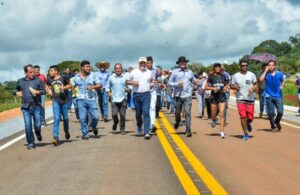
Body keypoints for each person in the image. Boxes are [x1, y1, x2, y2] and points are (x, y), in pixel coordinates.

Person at [15, 64, 46, 149]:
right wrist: (16, 93)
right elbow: (16, 90)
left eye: (33, 71)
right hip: (25, 107)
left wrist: (37, 92)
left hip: (36, 106)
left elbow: (44, 91)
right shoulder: (20, 81)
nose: (33, 73)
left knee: (38, 125)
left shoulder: (38, 80)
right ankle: (31, 142)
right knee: (28, 125)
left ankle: (38, 133)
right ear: (26, 73)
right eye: (31, 72)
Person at [126, 57, 154, 139]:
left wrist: (152, 84)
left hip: (146, 95)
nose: (142, 64)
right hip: (136, 95)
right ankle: (139, 126)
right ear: (139, 64)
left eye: (144, 63)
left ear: (146, 64)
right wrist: (132, 82)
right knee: (138, 113)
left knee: (146, 112)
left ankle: (146, 132)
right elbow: (127, 81)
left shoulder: (149, 72)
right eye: (141, 63)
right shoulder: (134, 72)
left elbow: (152, 80)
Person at [72, 60, 101, 139]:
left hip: (91, 99)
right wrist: (66, 88)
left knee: (96, 116)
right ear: (82, 67)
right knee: (82, 118)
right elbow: (71, 86)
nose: (89, 68)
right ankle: (85, 134)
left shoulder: (93, 75)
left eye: (89, 66)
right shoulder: (76, 77)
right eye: (87, 66)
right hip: (80, 100)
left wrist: (93, 87)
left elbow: (99, 85)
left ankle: (93, 126)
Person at [168, 56, 197, 137]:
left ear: (186, 63)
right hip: (178, 95)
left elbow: (193, 80)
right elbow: (169, 83)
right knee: (177, 112)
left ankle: (188, 130)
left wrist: (196, 83)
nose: (183, 63)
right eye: (181, 62)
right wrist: (177, 84)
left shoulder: (190, 72)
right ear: (179, 63)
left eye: (184, 62)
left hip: (187, 95)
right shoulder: (174, 72)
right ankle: (177, 121)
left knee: (188, 113)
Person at [231, 60, 258, 140]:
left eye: (246, 65)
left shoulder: (252, 74)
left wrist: (253, 88)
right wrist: (235, 87)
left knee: (250, 118)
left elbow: (256, 84)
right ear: (240, 66)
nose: (244, 67)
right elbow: (232, 85)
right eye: (243, 65)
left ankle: (248, 123)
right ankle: (245, 133)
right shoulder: (235, 76)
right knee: (243, 116)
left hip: (250, 98)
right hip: (240, 98)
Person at [46, 65, 71, 146]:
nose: (50, 72)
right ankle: (55, 137)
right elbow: (46, 85)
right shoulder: (49, 79)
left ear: (56, 71)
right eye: (50, 71)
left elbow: (71, 85)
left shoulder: (63, 77)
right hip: (55, 101)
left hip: (64, 101)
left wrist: (64, 88)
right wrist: (49, 90)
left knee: (66, 119)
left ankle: (66, 130)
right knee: (56, 118)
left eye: (51, 71)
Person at [259, 60, 285, 131]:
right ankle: (273, 126)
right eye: (269, 65)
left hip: (278, 95)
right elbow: (260, 80)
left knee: (280, 112)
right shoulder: (266, 74)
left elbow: (283, 81)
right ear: (268, 66)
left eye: (272, 65)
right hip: (268, 95)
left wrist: (282, 85)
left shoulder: (279, 74)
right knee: (271, 113)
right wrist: (265, 71)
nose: (271, 66)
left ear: (275, 66)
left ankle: (277, 122)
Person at [205, 63, 229, 138]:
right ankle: (214, 120)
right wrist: (213, 88)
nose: (218, 68)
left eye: (219, 67)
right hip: (214, 97)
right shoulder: (211, 76)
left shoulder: (223, 76)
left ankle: (222, 132)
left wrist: (225, 88)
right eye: (216, 67)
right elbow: (205, 87)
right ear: (214, 68)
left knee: (222, 114)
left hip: (222, 97)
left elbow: (226, 84)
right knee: (213, 115)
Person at [106, 63, 128, 135]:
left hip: (123, 98)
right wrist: (109, 93)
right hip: (114, 99)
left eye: (119, 68)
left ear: (122, 69)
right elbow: (107, 87)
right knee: (114, 115)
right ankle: (115, 122)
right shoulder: (111, 77)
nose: (118, 69)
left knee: (122, 115)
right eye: (117, 68)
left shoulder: (125, 77)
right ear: (114, 70)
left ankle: (122, 129)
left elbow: (129, 87)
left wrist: (128, 90)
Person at [146, 56, 158, 133]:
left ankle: (152, 124)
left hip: (153, 91)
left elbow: (157, 78)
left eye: (151, 62)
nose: (149, 64)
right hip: (145, 92)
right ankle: (146, 124)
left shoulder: (155, 70)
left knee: (152, 107)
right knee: (145, 109)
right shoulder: (143, 70)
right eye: (148, 62)